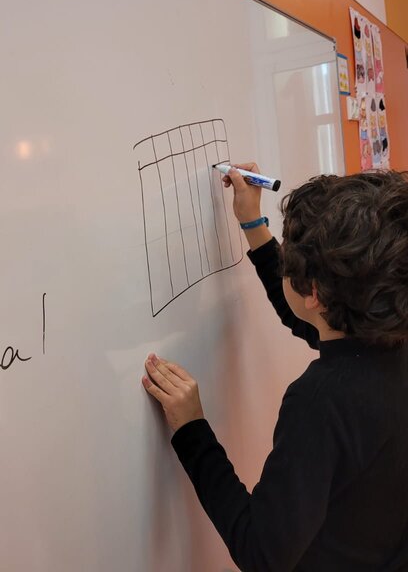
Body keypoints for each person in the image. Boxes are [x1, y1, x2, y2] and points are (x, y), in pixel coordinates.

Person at [142, 164, 408, 571]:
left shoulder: (322, 400)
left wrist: (192, 428)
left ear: (314, 291)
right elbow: (305, 316)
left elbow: (263, 554)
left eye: (289, 261)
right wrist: (253, 224)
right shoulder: (386, 335)